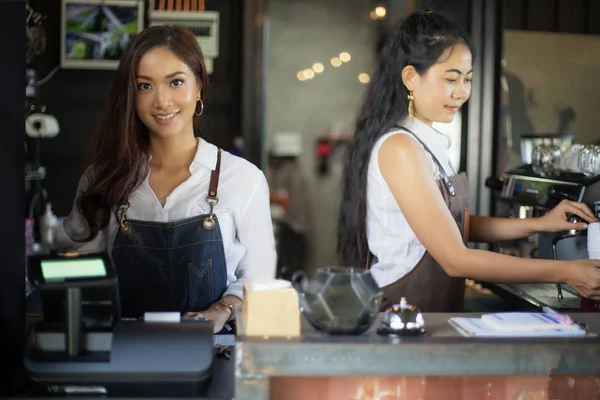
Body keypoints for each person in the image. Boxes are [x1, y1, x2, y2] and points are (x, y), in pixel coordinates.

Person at [337, 10, 600, 312]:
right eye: (451, 79)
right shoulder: (400, 148)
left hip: (429, 312)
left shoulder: (425, 143)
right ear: (411, 77)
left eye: (468, 79)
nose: (461, 93)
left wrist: (540, 224)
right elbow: (455, 259)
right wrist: (566, 271)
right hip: (401, 315)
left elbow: (456, 226)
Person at [63, 26, 277, 332]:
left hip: (212, 353)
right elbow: (83, 271)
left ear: (199, 86)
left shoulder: (242, 178)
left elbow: (260, 274)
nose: (162, 101)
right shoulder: (103, 177)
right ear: (130, 95)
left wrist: (221, 309)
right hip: (123, 351)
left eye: (176, 82)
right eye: (145, 86)